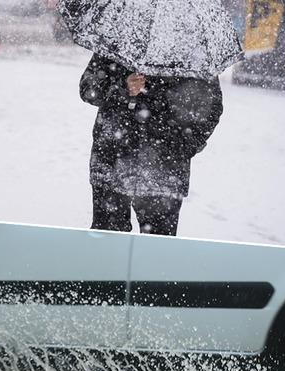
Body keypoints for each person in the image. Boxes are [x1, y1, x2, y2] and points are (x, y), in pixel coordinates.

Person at [79, 55, 223, 236]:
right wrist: (122, 87)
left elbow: (211, 108)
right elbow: (88, 88)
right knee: (107, 244)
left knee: (157, 251)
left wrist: (183, 147)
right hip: (112, 161)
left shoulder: (192, 50)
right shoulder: (122, 37)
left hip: (164, 172)